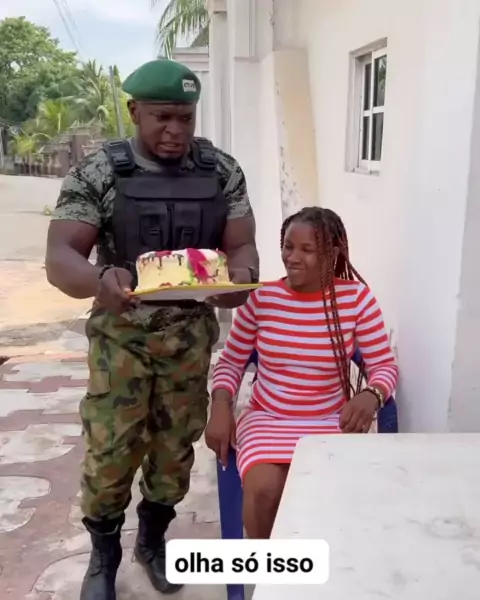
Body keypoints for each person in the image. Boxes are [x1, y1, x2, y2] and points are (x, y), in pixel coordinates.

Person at [45, 58, 259, 600]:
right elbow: (60, 256)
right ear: (134, 110)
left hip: (189, 338)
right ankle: (103, 556)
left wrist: (240, 279)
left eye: (185, 118)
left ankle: (152, 541)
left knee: (174, 450)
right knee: (111, 450)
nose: (175, 130)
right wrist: (98, 280)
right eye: (163, 117)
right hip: (122, 338)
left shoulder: (221, 171)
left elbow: (242, 246)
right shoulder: (100, 172)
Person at [205, 206, 398, 539]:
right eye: (288, 247)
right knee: (264, 492)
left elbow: (383, 365)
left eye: (307, 249)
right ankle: (276, 567)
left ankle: (327, 562)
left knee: (329, 496)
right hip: (268, 419)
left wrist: (372, 395)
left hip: (330, 420)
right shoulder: (261, 299)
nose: (292, 258)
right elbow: (231, 362)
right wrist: (220, 406)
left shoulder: (356, 299)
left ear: (332, 254)